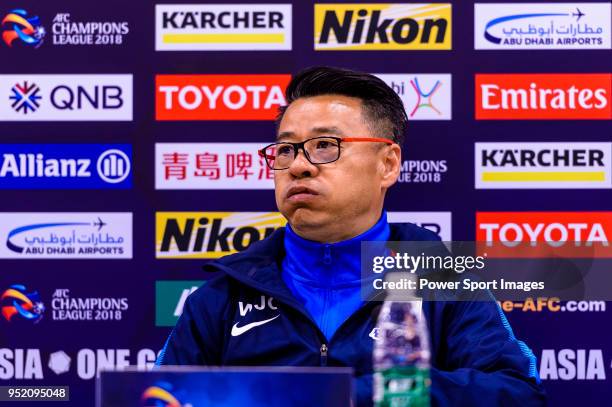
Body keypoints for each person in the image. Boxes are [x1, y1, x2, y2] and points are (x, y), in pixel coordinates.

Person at [156, 66, 546, 406]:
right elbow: (159, 396)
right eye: (286, 150)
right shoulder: (223, 295)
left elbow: (516, 393)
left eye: (325, 146)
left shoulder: (443, 281)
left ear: (388, 164)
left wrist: (363, 395)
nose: (299, 167)